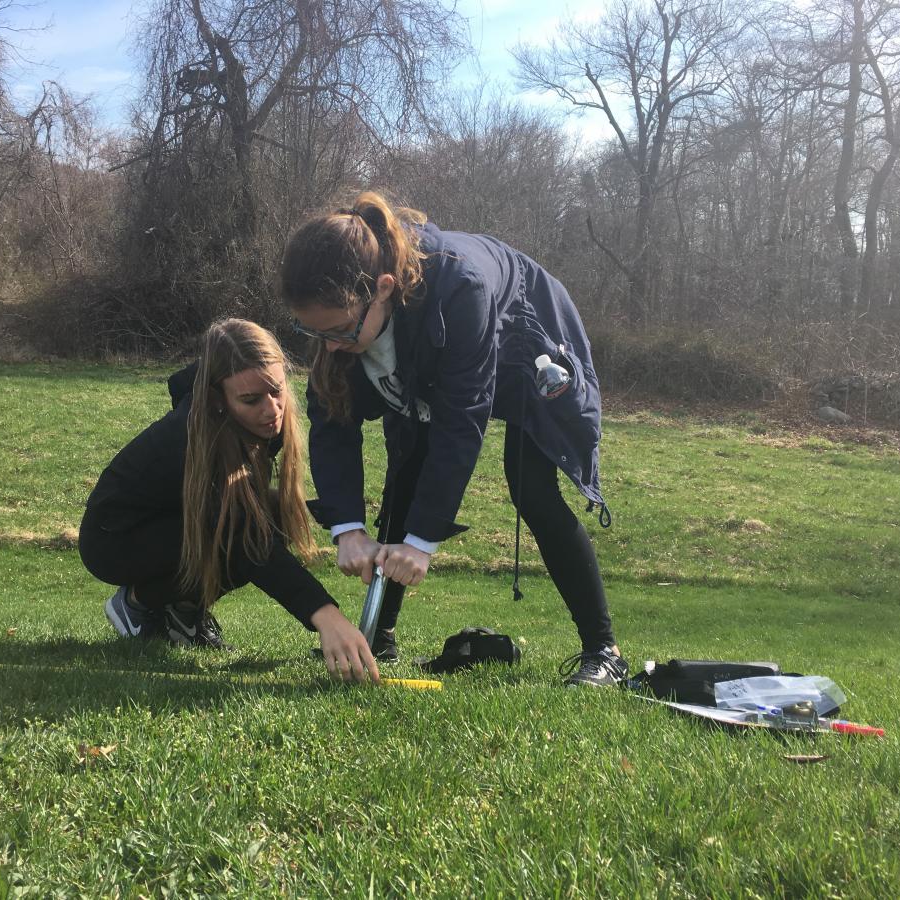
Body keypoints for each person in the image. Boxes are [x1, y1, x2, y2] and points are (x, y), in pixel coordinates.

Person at [281, 192, 626, 687]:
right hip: (425, 344)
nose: (331, 347)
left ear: (382, 288)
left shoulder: (461, 288)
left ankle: (604, 651)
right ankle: (378, 635)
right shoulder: (341, 319)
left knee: (533, 489)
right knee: (405, 478)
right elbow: (333, 423)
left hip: (529, 341)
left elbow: (461, 422)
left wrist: (422, 543)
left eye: (338, 331)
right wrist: (347, 527)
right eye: (317, 333)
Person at [78, 318, 380, 684]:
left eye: (277, 391)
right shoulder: (192, 438)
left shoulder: (261, 421)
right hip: (115, 539)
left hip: (175, 517)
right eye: (251, 400)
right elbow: (246, 540)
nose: (272, 410)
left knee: (278, 515)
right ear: (217, 397)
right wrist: (326, 616)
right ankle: (139, 602)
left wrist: (342, 524)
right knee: (249, 531)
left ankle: (182, 610)